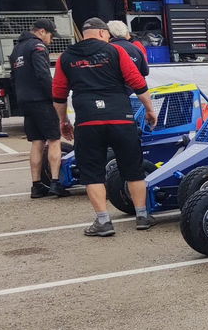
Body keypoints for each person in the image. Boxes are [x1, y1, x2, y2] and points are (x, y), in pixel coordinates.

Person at [52, 18, 158, 236]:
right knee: (133, 169)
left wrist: (63, 121)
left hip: (88, 121)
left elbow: (59, 94)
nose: (109, 37)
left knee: (93, 173)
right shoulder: (116, 52)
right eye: (108, 34)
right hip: (121, 117)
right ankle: (142, 216)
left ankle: (103, 222)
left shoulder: (66, 57)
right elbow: (138, 82)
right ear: (101, 33)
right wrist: (149, 109)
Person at [9, 19, 66, 199]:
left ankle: (36, 185)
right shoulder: (37, 47)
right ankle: (55, 183)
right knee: (54, 139)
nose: (51, 39)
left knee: (36, 142)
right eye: (50, 35)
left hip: (24, 101)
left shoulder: (17, 48)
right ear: (42, 31)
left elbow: (13, 77)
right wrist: (54, 96)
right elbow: (43, 74)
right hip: (41, 100)